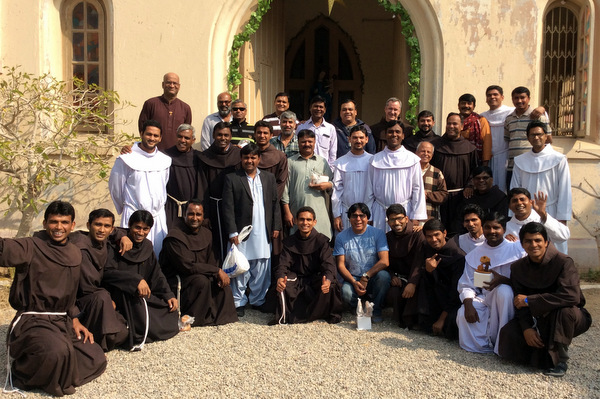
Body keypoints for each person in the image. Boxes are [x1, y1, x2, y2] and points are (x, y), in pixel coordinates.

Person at [2, 201, 106, 396]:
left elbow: (71, 292)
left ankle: (55, 371)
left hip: (62, 320)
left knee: (95, 355)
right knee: (57, 352)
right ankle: (24, 372)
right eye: (54, 222)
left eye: (64, 222)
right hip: (33, 321)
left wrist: (74, 318)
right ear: (44, 223)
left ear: (73, 225)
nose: (59, 227)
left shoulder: (74, 252)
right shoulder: (30, 246)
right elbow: (2, 248)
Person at [498, 222, 592, 377]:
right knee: (510, 333)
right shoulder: (518, 268)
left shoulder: (563, 262)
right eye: (528, 241)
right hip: (538, 318)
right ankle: (540, 353)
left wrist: (530, 300)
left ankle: (560, 360)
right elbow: (518, 302)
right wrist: (526, 328)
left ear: (546, 242)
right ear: (522, 244)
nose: (533, 245)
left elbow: (571, 296)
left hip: (568, 316)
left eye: (538, 240)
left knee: (564, 312)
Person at [103, 210, 179, 349]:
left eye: (145, 229)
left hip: (142, 294)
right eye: (137, 227)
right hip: (121, 294)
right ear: (130, 226)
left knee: (169, 311)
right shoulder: (115, 245)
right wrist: (135, 280)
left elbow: (156, 274)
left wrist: (168, 294)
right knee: (142, 316)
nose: (140, 232)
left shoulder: (147, 246)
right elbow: (107, 273)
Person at [222, 143, 281, 316]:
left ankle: (258, 300)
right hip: (241, 232)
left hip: (263, 229)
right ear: (241, 159)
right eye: (246, 157)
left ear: (259, 159)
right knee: (240, 265)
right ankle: (238, 301)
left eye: (253, 157)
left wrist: (276, 226)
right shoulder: (232, 178)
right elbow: (228, 207)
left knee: (262, 265)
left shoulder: (269, 178)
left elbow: (274, 203)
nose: (249, 160)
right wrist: (232, 231)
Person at [159, 200, 238, 326]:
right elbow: (187, 266)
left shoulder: (207, 234)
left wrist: (217, 273)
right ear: (184, 215)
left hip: (201, 274)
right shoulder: (175, 237)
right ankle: (194, 319)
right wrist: (216, 271)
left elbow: (212, 260)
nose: (195, 218)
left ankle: (219, 317)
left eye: (198, 214)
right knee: (202, 281)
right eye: (191, 214)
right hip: (179, 279)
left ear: (203, 216)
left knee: (222, 283)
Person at [456, 212, 526, 354]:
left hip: (509, 297)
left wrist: (504, 280)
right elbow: (467, 284)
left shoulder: (517, 249)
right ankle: (481, 346)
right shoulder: (476, 254)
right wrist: (468, 304)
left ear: (504, 230)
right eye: (487, 227)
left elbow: (525, 279)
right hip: (484, 296)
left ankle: (503, 344)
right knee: (463, 312)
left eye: (496, 228)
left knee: (503, 291)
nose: (491, 231)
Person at [109, 119, 171, 256]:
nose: (152, 138)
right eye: (149, 134)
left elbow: (163, 185)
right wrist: (124, 207)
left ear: (160, 138)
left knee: (157, 255)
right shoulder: (126, 159)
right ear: (141, 133)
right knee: (132, 254)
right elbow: (116, 187)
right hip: (134, 214)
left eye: (156, 136)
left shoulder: (164, 160)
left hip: (157, 217)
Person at [72, 209, 129, 352]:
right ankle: (96, 342)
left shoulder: (104, 239)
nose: (102, 230)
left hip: (95, 294)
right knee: (103, 297)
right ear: (88, 225)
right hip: (79, 300)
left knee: (123, 333)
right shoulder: (81, 247)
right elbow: (86, 287)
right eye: (98, 225)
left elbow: (116, 231)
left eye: (106, 226)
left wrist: (122, 236)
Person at [274, 207, 343, 324]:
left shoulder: (321, 241)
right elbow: (283, 264)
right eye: (301, 219)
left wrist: (328, 279)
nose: (305, 223)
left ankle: (323, 312)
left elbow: (329, 264)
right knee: (283, 285)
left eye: (308, 220)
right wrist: (280, 277)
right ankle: (288, 315)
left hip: (315, 278)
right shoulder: (290, 241)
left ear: (314, 222)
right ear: (295, 221)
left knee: (331, 284)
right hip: (297, 279)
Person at [366, 120, 427, 231]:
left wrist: (417, 216)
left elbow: (417, 189)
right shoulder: (375, 160)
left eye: (397, 132)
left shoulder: (412, 159)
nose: (394, 134)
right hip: (380, 212)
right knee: (380, 245)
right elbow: (369, 190)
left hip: (404, 212)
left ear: (403, 135)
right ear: (385, 135)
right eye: (390, 132)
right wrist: (368, 214)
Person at [334, 203, 390, 323]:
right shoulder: (341, 237)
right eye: (354, 216)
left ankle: (376, 309)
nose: (358, 219)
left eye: (362, 215)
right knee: (346, 293)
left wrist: (366, 276)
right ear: (349, 218)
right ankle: (357, 307)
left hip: (372, 276)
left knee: (384, 276)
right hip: (353, 277)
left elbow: (384, 261)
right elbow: (340, 265)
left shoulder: (378, 233)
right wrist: (354, 282)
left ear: (367, 217)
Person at [510, 120, 572, 222]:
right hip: (525, 212)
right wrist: (515, 214)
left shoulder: (559, 159)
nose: (536, 138)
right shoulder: (520, 161)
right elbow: (515, 189)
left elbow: (564, 190)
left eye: (539, 134)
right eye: (532, 135)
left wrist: (562, 218)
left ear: (546, 136)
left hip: (552, 211)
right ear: (528, 138)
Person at [197, 121, 241, 261]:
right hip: (214, 207)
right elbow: (202, 187)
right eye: (219, 135)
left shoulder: (239, 155)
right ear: (213, 135)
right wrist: (205, 213)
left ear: (231, 136)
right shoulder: (205, 157)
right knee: (217, 242)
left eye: (226, 135)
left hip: (236, 206)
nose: (223, 138)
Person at [431, 113, 478, 236]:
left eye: (455, 123)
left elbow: (475, 171)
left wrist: (470, 185)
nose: (451, 126)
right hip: (439, 197)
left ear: (462, 126)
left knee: (457, 230)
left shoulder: (470, 148)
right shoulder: (435, 146)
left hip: (461, 196)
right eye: (449, 123)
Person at [417, 219, 465, 338]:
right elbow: (428, 282)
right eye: (429, 236)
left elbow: (456, 290)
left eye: (436, 235)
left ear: (444, 233)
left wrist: (442, 319)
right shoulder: (427, 248)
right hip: (435, 296)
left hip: (452, 299)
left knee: (451, 324)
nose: (433, 240)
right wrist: (429, 271)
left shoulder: (458, 255)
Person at [282, 129, 334, 239]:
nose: (307, 144)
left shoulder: (322, 161)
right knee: (298, 243)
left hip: (319, 212)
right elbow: (285, 189)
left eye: (310, 141)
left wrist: (327, 185)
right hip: (297, 210)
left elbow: (333, 183)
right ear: (298, 142)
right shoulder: (290, 162)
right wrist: (287, 212)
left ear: (315, 142)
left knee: (321, 240)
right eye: (303, 142)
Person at [385, 204, 426, 328]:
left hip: (417, 276)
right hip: (400, 277)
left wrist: (412, 282)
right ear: (388, 222)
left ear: (406, 219)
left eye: (399, 218)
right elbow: (386, 261)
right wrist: (392, 276)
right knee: (394, 291)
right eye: (392, 219)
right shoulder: (388, 237)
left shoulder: (417, 234)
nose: (396, 222)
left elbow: (419, 261)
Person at [504, 86, 552, 187]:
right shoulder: (509, 119)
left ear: (528, 99)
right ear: (512, 100)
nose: (519, 100)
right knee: (513, 197)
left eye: (522, 97)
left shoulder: (538, 117)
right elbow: (508, 140)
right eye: (516, 98)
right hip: (512, 166)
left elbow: (548, 140)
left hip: (532, 167)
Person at [332, 125, 373, 232]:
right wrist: (337, 215)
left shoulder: (373, 161)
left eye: (361, 137)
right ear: (349, 139)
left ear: (367, 139)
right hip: (346, 213)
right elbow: (337, 191)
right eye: (355, 137)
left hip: (367, 213)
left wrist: (371, 214)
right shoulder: (341, 162)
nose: (358, 140)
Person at [504, 188, 570, 254]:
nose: (519, 203)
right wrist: (504, 242)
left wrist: (543, 215)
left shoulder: (542, 220)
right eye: (515, 201)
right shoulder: (506, 228)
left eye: (522, 199)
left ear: (530, 202)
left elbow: (564, 236)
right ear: (509, 206)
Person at [138, 72, 192, 151]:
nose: (172, 85)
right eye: (169, 83)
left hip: (176, 155)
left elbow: (187, 133)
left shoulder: (185, 108)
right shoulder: (151, 104)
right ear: (163, 84)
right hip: (154, 152)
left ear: (179, 86)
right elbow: (142, 128)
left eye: (175, 83)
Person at [454, 166, 508, 234]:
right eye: (478, 178)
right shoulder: (469, 197)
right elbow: (460, 220)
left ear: (491, 179)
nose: (481, 180)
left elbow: (501, 221)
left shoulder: (500, 197)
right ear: (473, 181)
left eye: (485, 178)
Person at [480, 85, 513, 192]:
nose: (492, 97)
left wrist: (541, 108)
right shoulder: (482, 117)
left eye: (495, 94)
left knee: (504, 190)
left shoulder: (511, 112)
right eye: (489, 95)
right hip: (488, 159)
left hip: (505, 157)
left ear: (502, 97)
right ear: (486, 99)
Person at [296, 95, 337, 165]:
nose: (318, 109)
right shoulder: (302, 127)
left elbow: (333, 152)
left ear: (325, 110)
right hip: (304, 165)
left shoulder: (330, 128)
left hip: (323, 168)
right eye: (315, 106)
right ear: (310, 108)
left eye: (321, 107)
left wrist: (331, 170)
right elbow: (297, 148)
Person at [457, 93, 492, 166]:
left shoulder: (480, 121)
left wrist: (485, 163)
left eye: (469, 104)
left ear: (474, 106)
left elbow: (486, 143)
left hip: (475, 160)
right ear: (458, 106)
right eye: (463, 103)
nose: (466, 106)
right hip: (457, 158)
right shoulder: (454, 121)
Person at [417, 141, 448, 220]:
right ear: (416, 153)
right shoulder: (409, 171)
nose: (425, 154)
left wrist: (427, 195)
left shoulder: (437, 173)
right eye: (423, 151)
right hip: (412, 218)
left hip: (430, 217)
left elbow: (444, 195)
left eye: (428, 152)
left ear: (432, 155)